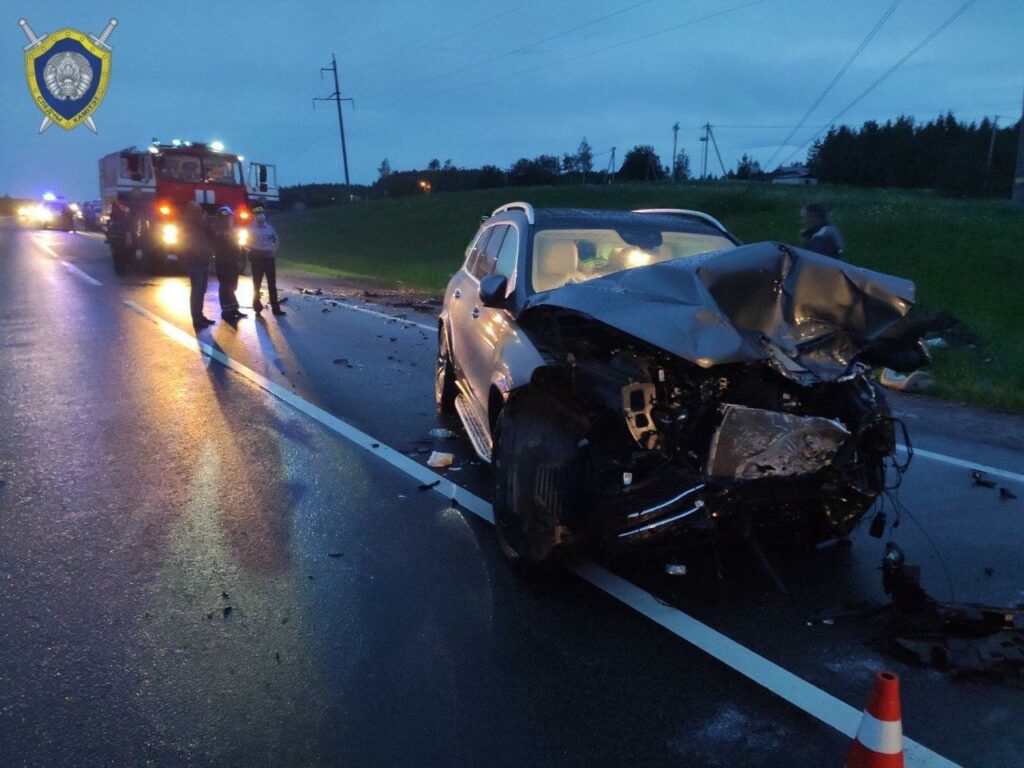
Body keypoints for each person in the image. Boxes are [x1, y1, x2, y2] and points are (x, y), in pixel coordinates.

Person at [181, 201, 215, 329]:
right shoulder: (189, 223)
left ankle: (200, 315)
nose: (199, 212)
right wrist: (203, 219)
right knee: (197, 290)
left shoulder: (201, 223)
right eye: (197, 210)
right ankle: (196, 318)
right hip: (195, 260)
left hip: (203, 259)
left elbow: (210, 234)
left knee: (202, 289)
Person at [211, 206, 247, 323]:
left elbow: (238, 246)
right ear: (220, 219)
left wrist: (240, 258)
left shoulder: (233, 231)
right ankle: (226, 311)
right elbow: (218, 247)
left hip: (233, 261)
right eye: (224, 218)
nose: (227, 220)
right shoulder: (217, 232)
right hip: (223, 262)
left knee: (232, 285)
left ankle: (234, 309)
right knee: (225, 286)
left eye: (229, 218)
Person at [248, 207, 285, 316]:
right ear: (254, 216)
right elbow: (243, 242)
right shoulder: (249, 228)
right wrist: (253, 249)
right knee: (257, 284)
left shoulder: (270, 228)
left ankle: (276, 308)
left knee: (272, 284)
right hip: (256, 257)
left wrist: (273, 250)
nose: (260, 215)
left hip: (269, 257)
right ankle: (256, 305)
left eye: (261, 213)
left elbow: (276, 240)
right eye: (257, 214)